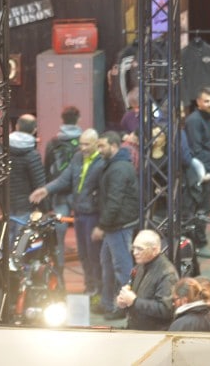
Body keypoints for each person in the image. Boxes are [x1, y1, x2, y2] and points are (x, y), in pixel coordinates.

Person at [29, 128, 105, 304]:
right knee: (84, 254)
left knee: (94, 255)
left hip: (94, 215)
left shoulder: (102, 162)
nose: (83, 148)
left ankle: (99, 290)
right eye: (81, 144)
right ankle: (90, 286)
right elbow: (65, 179)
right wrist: (46, 190)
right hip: (79, 213)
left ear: (96, 144)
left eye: (87, 144)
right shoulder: (78, 157)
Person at [93, 130, 138, 320]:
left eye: (102, 146)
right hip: (115, 225)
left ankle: (124, 308)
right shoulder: (115, 165)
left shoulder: (118, 168)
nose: (99, 150)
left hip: (118, 225)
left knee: (121, 268)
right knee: (108, 265)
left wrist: (102, 226)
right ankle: (107, 303)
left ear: (113, 146)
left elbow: (114, 201)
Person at [118, 229, 180, 331]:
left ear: (154, 250)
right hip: (136, 328)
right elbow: (133, 295)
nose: (135, 253)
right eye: (134, 248)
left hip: (153, 333)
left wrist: (134, 301)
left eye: (140, 249)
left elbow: (166, 309)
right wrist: (124, 301)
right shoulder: (140, 266)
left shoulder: (167, 274)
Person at [183, 87, 210, 236]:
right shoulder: (194, 120)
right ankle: (197, 239)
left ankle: (198, 238)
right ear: (198, 102)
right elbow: (196, 149)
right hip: (199, 171)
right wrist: (205, 172)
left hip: (204, 168)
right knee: (200, 207)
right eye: (206, 101)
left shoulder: (204, 117)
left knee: (203, 208)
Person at [7, 114, 47, 233]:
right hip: (26, 204)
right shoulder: (32, 154)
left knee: (5, 238)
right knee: (21, 240)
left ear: (16, 126)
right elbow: (39, 183)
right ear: (34, 130)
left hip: (4, 202)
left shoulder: (2, 149)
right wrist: (45, 208)